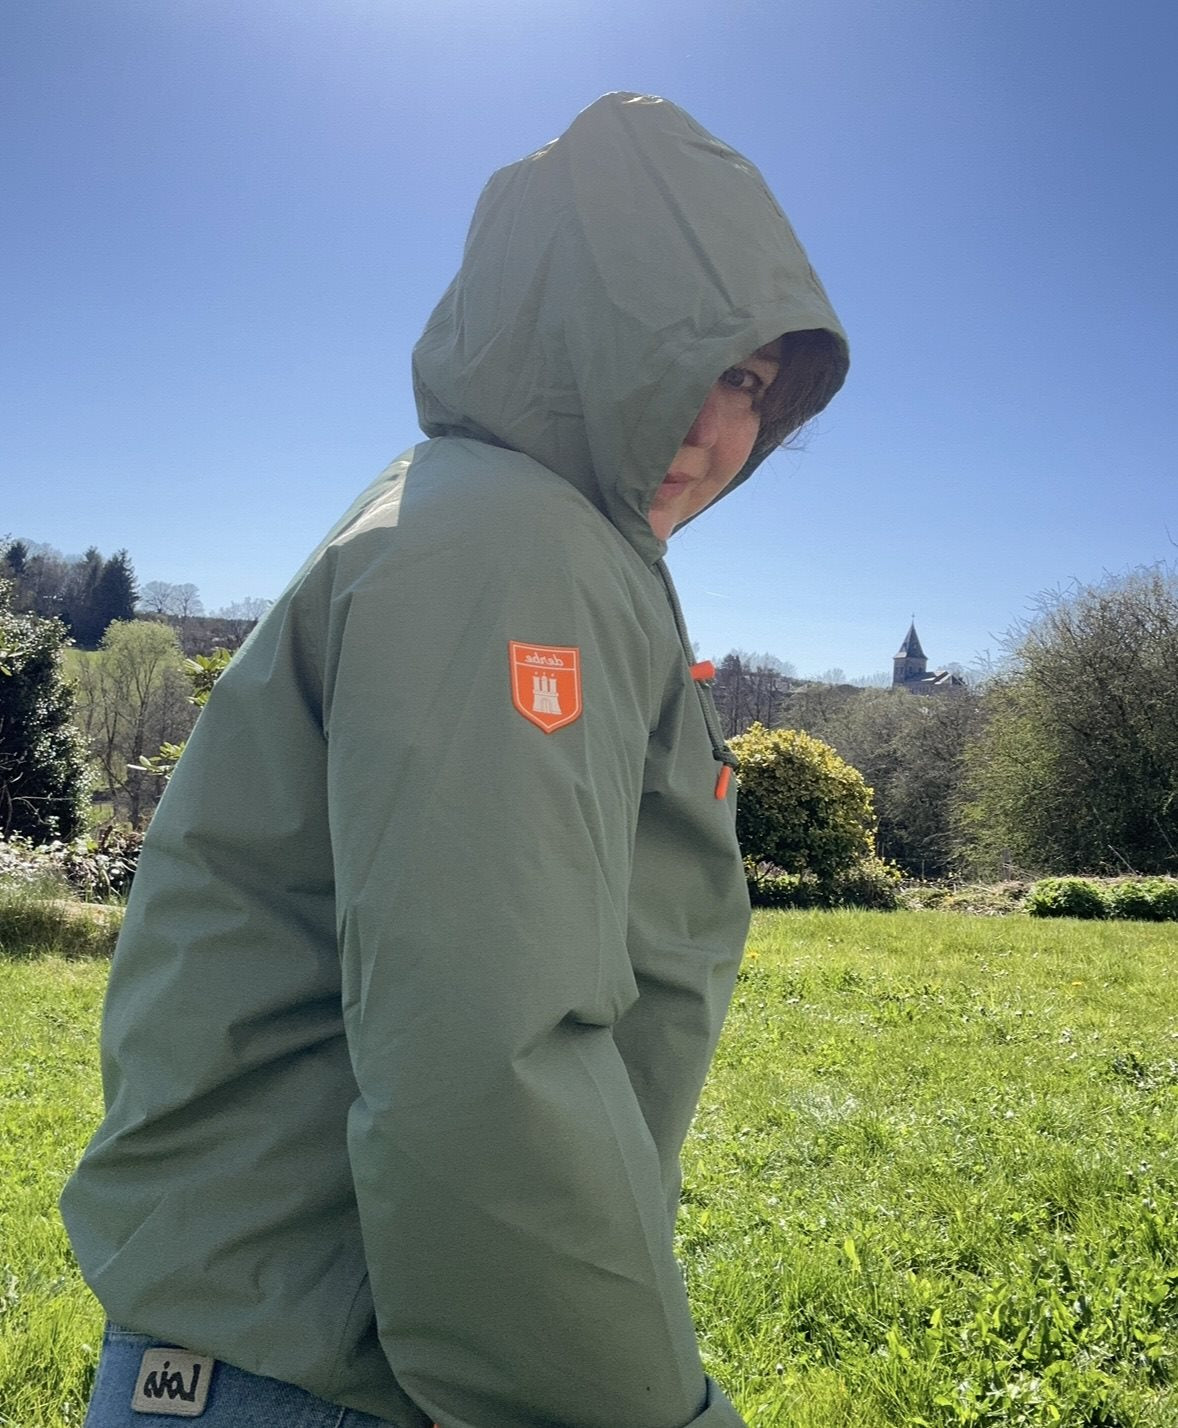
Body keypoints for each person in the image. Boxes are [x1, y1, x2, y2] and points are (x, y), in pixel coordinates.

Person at [62, 92, 848, 1428]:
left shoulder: (502, 529)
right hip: (337, 1374)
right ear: (555, 328)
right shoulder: (505, 549)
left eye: (749, 386)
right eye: (673, 354)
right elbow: (485, 1056)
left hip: (301, 1338)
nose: (710, 427)